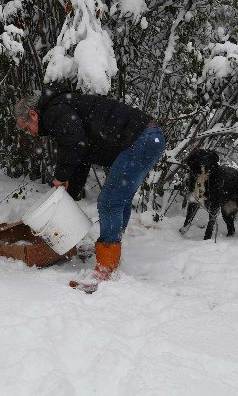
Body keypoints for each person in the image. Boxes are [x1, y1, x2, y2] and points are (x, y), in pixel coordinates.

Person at [14, 83, 165, 289]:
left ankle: (106, 268)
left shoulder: (53, 111)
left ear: (33, 114)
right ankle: (111, 253)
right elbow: (82, 153)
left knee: (109, 202)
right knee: (119, 199)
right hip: (149, 136)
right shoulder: (61, 107)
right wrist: (69, 191)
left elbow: (74, 142)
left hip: (141, 139)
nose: (31, 133)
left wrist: (60, 176)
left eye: (27, 127)